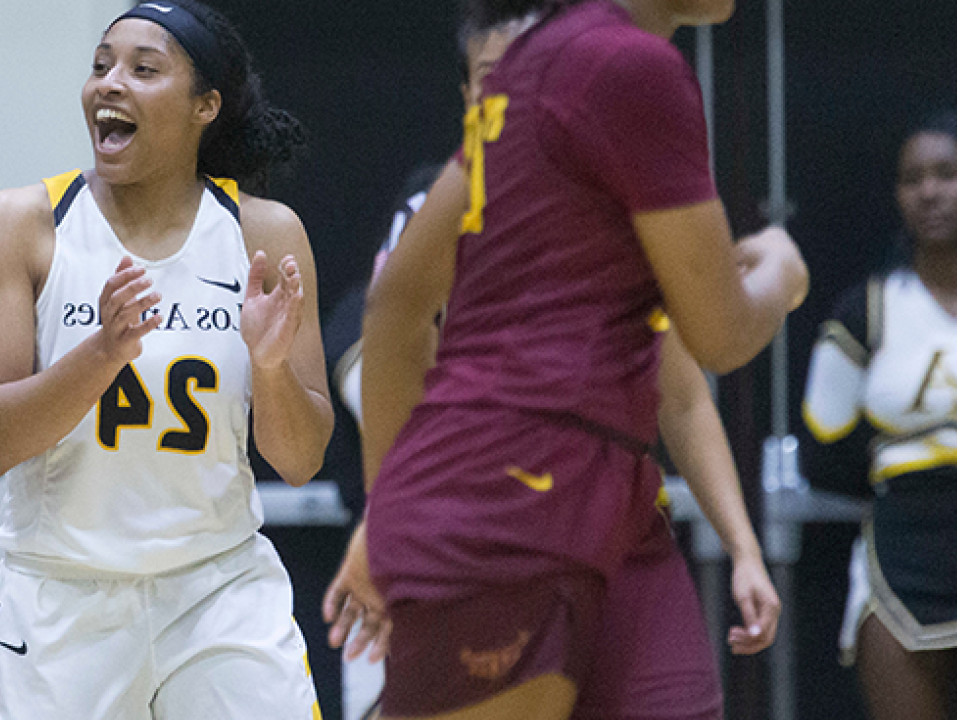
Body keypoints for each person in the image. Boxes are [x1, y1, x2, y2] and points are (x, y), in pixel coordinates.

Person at [325, 0, 811, 716]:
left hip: (613, 500)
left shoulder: (538, 70)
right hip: (504, 495)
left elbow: (394, 306)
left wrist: (390, 509)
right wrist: (781, 272)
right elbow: (721, 333)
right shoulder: (625, 66)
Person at [0, 2, 329, 718]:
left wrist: (272, 364)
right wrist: (102, 353)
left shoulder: (262, 231)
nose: (109, 84)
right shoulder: (21, 224)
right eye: (100, 66)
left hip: (217, 587)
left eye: (143, 69)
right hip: (65, 593)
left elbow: (301, 459)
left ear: (205, 106)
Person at [801, 110, 957, 720]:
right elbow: (822, 449)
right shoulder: (863, 310)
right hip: (898, 558)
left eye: (948, 174)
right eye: (912, 178)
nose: (929, 192)